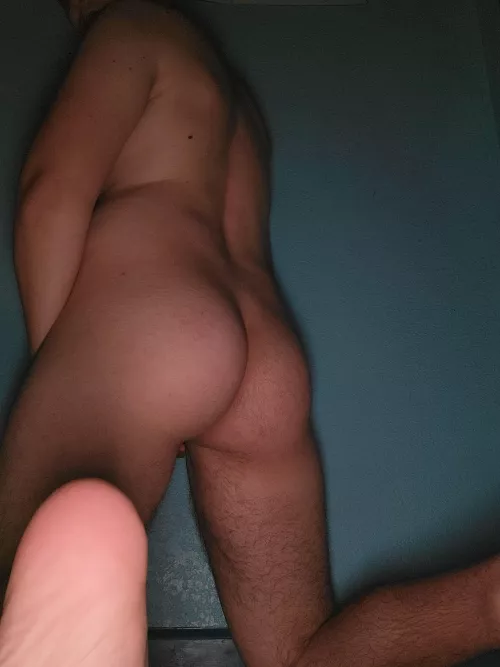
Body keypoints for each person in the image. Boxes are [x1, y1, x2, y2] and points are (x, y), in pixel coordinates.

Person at [0, 1, 499, 665]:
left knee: (15, 590)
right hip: (266, 356)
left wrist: (58, 362)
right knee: (301, 653)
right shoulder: (235, 97)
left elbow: (49, 194)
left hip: (155, 317)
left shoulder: (131, 28)